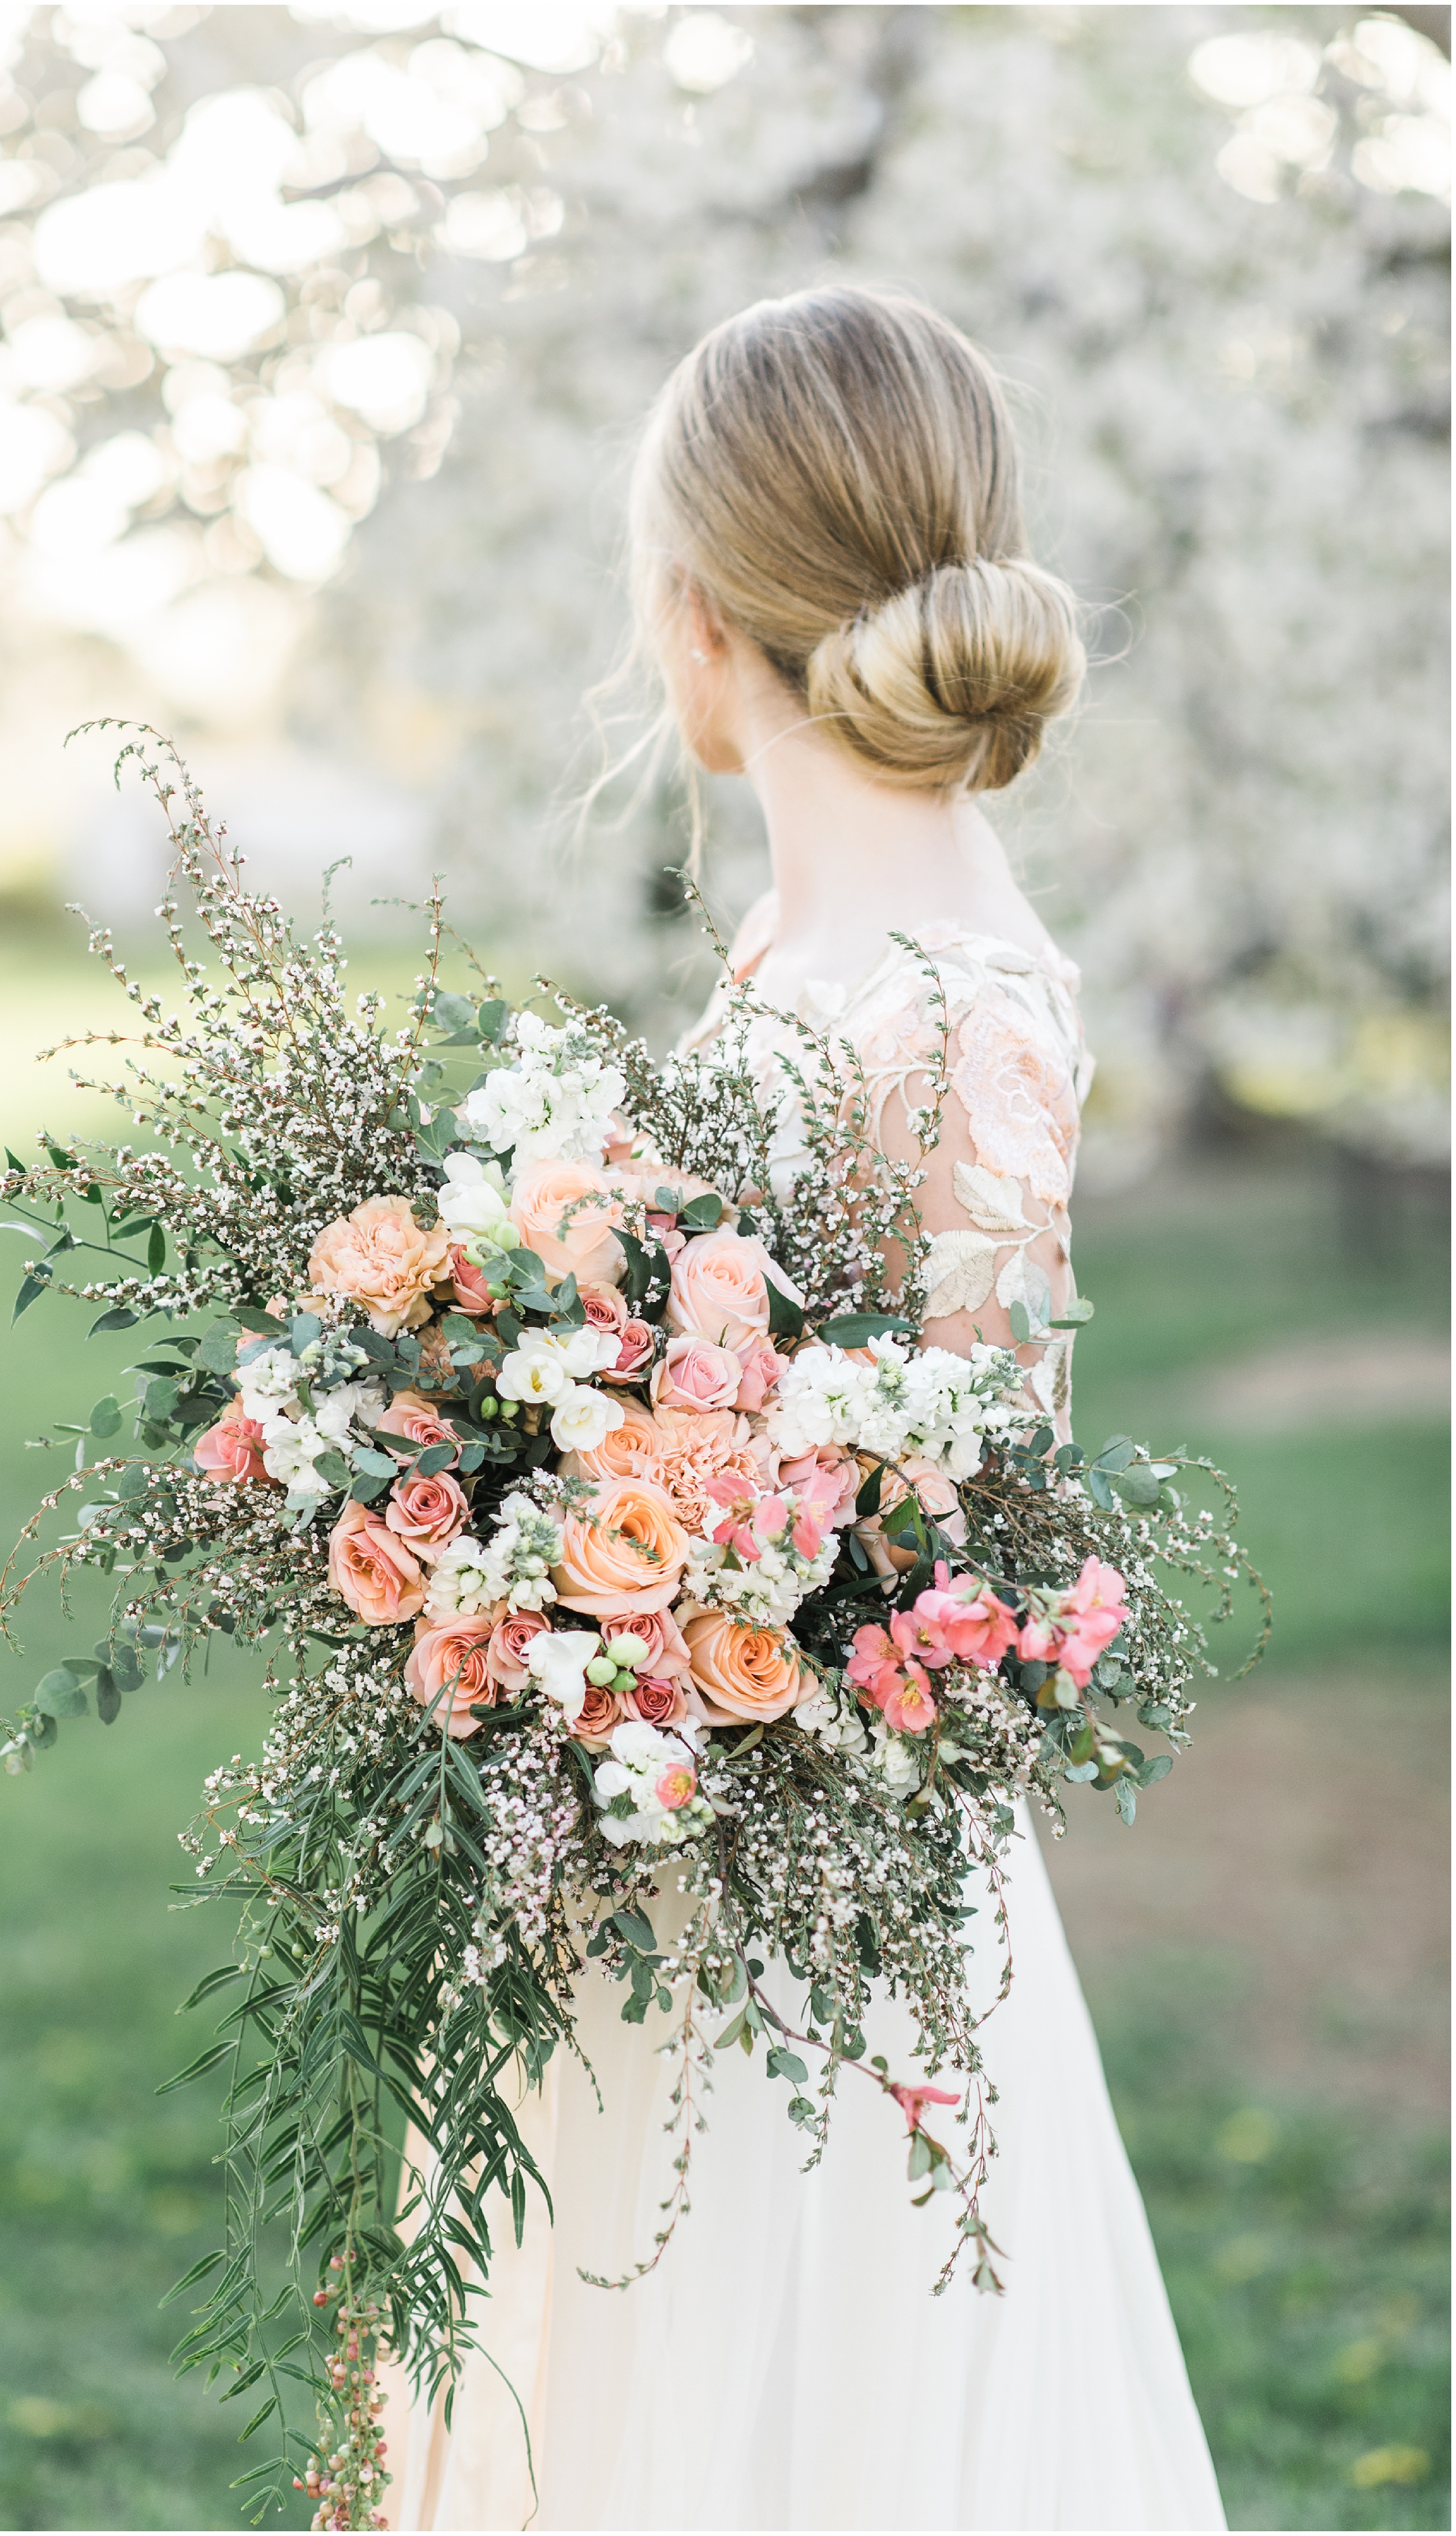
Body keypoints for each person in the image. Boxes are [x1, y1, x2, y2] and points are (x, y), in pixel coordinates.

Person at [381, 286, 1225, 2533]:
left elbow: (948, 1534)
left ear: (694, 621)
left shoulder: (948, 997)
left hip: (800, 1898)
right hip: (671, 1818)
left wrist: (602, 1564)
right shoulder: (821, 952)